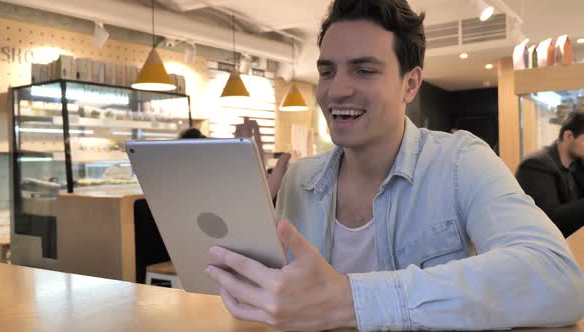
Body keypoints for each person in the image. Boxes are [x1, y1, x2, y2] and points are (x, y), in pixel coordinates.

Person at [203, 0, 584, 331]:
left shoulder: (460, 161)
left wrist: (350, 301)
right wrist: (246, 230)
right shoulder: (299, 179)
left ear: (411, 84)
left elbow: (557, 278)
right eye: (327, 71)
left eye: (364, 70)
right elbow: (285, 300)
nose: (337, 90)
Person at [516, 111, 584, 237]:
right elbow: (551, 217)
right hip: (543, 246)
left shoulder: (577, 163)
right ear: (568, 136)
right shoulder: (535, 164)